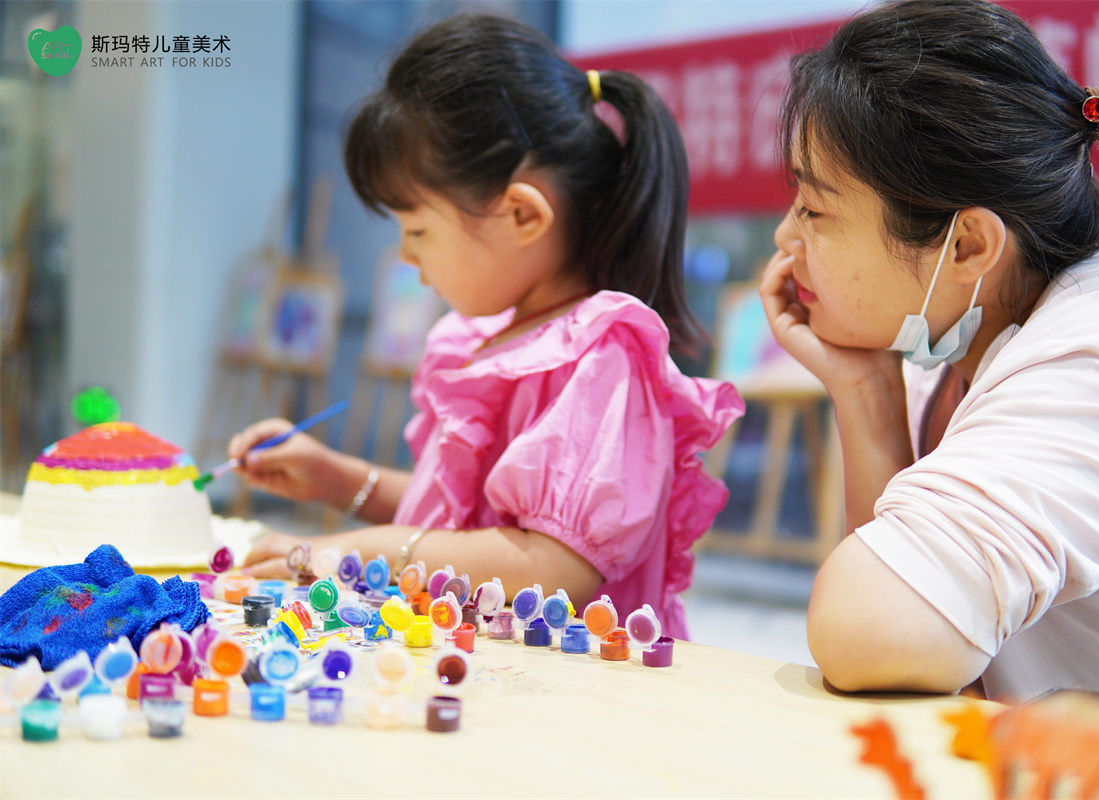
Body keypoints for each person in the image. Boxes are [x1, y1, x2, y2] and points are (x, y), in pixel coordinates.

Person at [229, 13, 743, 640]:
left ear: (523, 215)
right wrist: (338, 479)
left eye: (418, 229)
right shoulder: (483, 339)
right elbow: (463, 514)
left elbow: (554, 567)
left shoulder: (599, 361)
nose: (406, 255)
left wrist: (354, 552)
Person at [759, 0, 1099, 702]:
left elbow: (869, 629)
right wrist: (866, 392)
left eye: (814, 209)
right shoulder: (961, 347)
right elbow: (899, 657)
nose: (786, 239)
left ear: (967, 246)